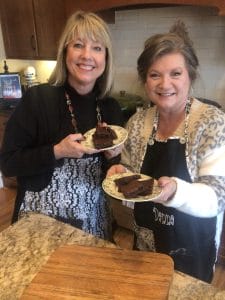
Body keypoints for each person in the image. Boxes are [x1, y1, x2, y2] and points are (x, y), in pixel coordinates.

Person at [107, 20, 225, 282]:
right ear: (145, 80)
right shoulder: (137, 124)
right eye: (154, 74)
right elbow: (132, 174)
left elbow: (217, 197)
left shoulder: (211, 123)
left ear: (190, 76)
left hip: (193, 248)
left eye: (175, 73)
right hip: (146, 241)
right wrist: (121, 174)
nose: (165, 84)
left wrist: (175, 191)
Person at [0, 11, 124, 241]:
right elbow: (8, 164)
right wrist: (57, 151)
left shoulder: (110, 107)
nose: (87, 55)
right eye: (78, 45)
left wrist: (113, 161)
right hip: (41, 225)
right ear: (65, 52)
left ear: (106, 58)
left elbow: (111, 169)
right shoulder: (37, 99)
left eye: (97, 48)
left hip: (94, 223)